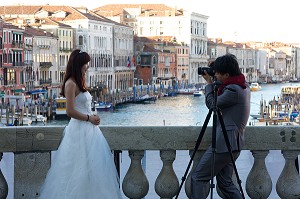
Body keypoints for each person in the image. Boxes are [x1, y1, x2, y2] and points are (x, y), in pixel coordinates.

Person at [39, 49, 123, 199]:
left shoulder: (80, 81)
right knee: (77, 170)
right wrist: (89, 118)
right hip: (78, 131)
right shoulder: (71, 84)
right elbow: (70, 111)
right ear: (79, 64)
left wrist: (92, 117)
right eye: (86, 63)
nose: (88, 66)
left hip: (90, 132)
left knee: (93, 171)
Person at [191, 54, 250, 199]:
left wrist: (209, 84)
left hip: (224, 144)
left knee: (198, 177)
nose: (215, 74)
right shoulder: (243, 86)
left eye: (217, 72)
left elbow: (213, 105)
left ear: (227, 74)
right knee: (225, 184)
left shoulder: (233, 91)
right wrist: (215, 72)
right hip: (234, 143)